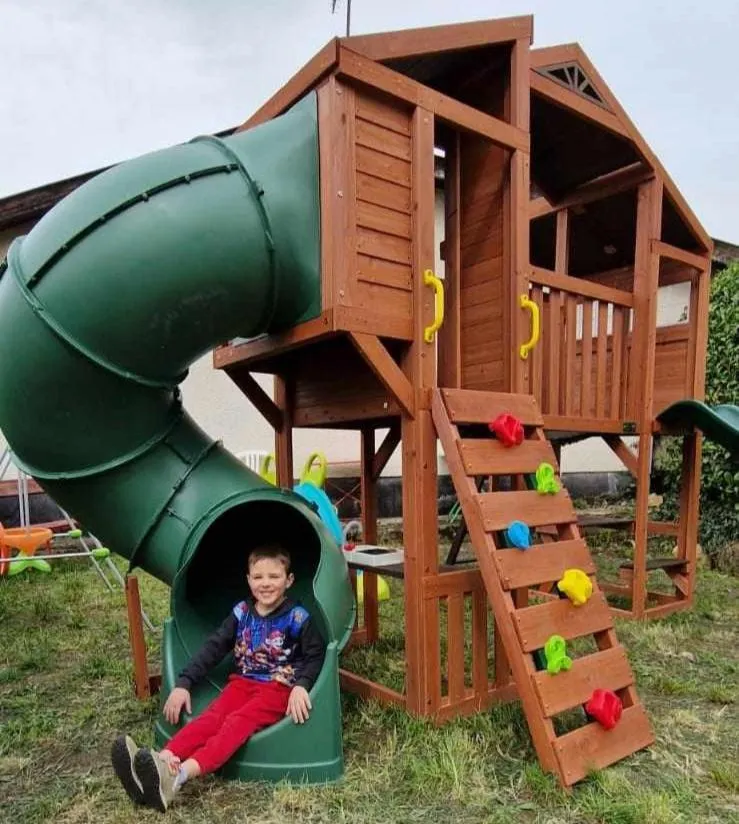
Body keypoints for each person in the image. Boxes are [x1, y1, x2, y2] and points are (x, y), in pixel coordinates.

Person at [111, 543, 325, 812]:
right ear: (248, 580)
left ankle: (178, 777)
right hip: (243, 683)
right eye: (258, 577)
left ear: (289, 580)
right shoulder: (242, 613)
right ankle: (161, 762)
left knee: (236, 722)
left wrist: (301, 687)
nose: (266, 584)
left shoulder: (298, 617)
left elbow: (316, 654)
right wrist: (184, 683)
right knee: (211, 718)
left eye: (274, 576)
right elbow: (214, 647)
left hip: (277, 687)